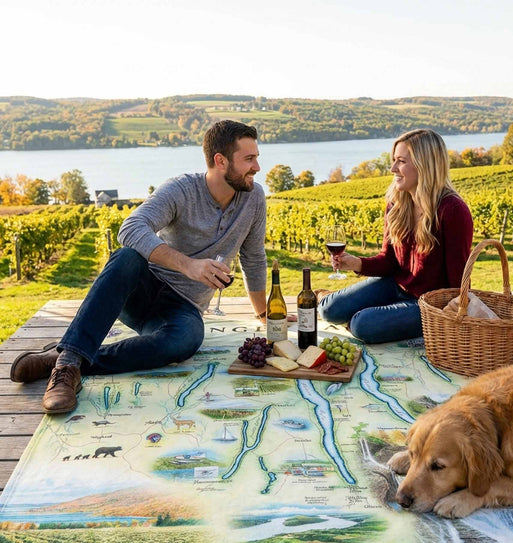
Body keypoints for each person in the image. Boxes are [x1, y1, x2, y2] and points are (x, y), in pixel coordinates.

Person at [10, 120, 268, 414]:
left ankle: (70, 357)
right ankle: (67, 366)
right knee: (126, 256)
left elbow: (253, 258)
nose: (257, 167)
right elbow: (131, 227)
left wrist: (263, 314)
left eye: (256, 157)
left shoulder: (254, 198)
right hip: (142, 289)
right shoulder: (182, 189)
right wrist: (189, 266)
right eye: (249, 159)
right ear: (220, 161)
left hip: (183, 307)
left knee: (187, 341)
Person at [318, 129, 473, 344]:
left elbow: (458, 282)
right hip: (395, 285)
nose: (393, 169)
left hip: (428, 304)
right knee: (328, 310)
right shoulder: (397, 203)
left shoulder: (452, 210)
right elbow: (389, 261)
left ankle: (371, 318)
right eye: (394, 160)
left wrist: (450, 317)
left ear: (424, 164)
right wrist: (355, 263)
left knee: (362, 324)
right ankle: (354, 308)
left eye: (401, 161)